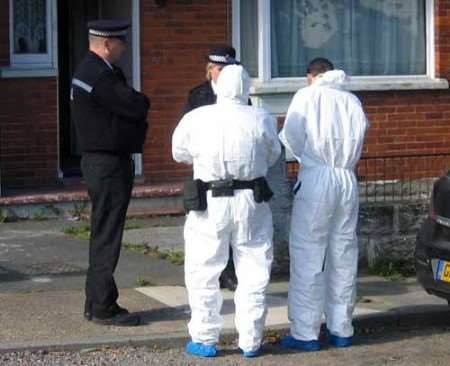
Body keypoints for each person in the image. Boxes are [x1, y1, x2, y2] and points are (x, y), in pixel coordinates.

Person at [172, 64, 281, 358]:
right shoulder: (261, 117)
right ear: (247, 89)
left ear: (217, 87)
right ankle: (251, 340)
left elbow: (178, 152)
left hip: (209, 201)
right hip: (251, 199)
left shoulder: (197, 118)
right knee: (254, 268)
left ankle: (205, 339)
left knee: (203, 269)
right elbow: (274, 154)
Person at [279, 58, 369, 350]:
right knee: (343, 253)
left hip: (317, 175)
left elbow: (291, 135)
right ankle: (341, 328)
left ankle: (305, 332)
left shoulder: (308, 95)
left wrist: (306, 158)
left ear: (311, 76)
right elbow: (362, 134)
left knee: (308, 252)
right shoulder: (352, 101)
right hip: (346, 177)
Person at [71, 19, 150, 326]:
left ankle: (98, 301)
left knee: (102, 233)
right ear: (106, 43)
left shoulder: (93, 70)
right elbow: (136, 105)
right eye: (121, 42)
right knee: (107, 236)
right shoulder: (99, 75)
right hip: (107, 165)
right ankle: (102, 305)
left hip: (101, 163)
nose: (124, 47)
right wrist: (140, 102)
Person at [182, 44, 242, 291]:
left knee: (232, 224)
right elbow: (185, 135)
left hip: (234, 170)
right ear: (210, 70)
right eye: (219, 68)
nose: (223, 73)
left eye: (227, 68)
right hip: (207, 170)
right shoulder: (198, 95)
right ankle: (207, 276)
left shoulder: (242, 95)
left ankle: (228, 272)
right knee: (206, 227)